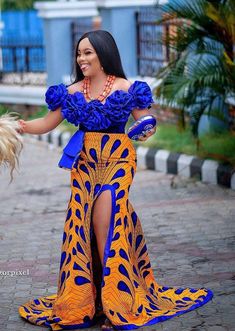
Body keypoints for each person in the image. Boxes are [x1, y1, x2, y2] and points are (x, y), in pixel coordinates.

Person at [17, 30, 213, 331]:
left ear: (104, 53)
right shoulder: (70, 92)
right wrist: (15, 127)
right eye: (79, 54)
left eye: (88, 53)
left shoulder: (126, 88)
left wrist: (145, 129)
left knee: (106, 223)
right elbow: (45, 123)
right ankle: (90, 299)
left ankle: (116, 306)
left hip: (118, 163)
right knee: (82, 227)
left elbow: (146, 121)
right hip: (84, 166)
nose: (82, 59)